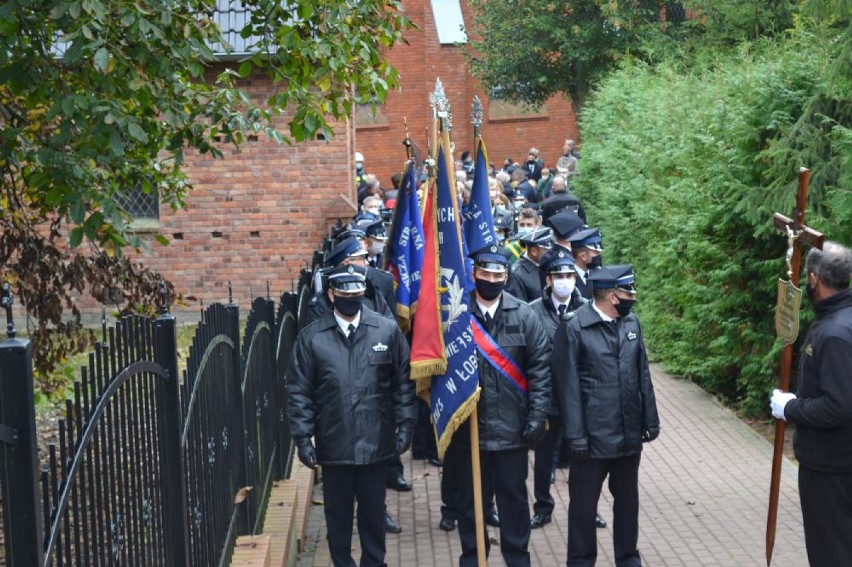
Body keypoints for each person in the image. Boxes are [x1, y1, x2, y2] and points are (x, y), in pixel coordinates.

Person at [287, 264, 417, 567]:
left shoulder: (385, 329)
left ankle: (375, 562)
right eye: (345, 294)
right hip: (336, 444)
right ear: (331, 295)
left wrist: (406, 422)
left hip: (376, 442)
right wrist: (303, 436)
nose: (352, 299)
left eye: (358, 294)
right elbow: (299, 391)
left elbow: (403, 382)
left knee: (373, 513)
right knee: (338, 516)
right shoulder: (312, 338)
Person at [552, 264, 660, 567]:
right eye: (628, 292)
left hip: (627, 433)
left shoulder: (631, 324)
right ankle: (581, 561)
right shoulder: (574, 327)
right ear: (613, 296)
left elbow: (643, 375)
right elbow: (568, 388)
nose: (632, 297)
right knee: (584, 507)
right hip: (592, 437)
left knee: (628, 503)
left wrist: (649, 420)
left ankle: (628, 558)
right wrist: (576, 436)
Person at [451, 245, 552, 567]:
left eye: (498, 275)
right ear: (474, 275)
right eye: (486, 274)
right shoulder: (455, 315)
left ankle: (517, 556)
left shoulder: (524, 315)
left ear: (506, 277)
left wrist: (537, 416)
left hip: (512, 429)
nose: (492, 280)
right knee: (469, 502)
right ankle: (473, 555)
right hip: (469, 430)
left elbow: (540, 371)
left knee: (514, 500)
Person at [769, 241, 852, 567]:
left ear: (814, 279)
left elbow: (839, 406)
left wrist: (790, 408)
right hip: (837, 462)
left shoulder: (835, 334)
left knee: (831, 553)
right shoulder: (838, 320)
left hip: (831, 467)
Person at [528, 248, 586, 529]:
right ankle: (543, 506)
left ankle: (586, 508)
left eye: (569, 275)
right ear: (548, 280)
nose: (565, 280)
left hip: (578, 399)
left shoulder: (587, 309)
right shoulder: (531, 312)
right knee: (543, 459)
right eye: (559, 275)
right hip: (547, 398)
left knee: (583, 458)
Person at [506, 226, 553, 302]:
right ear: (534, 251)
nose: (552, 254)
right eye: (548, 251)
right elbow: (519, 308)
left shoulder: (548, 265)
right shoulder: (517, 274)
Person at [569, 228, 604, 300]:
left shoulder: (599, 274)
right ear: (583, 256)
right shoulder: (567, 277)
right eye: (596, 252)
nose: (599, 255)